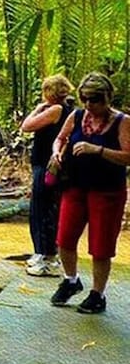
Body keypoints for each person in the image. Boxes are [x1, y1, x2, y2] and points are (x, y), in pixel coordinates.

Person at [49, 72, 129, 314]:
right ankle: (71, 280)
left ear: (107, 98)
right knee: (64, 237)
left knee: (100, 244)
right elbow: (60, 139)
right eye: (85, 100)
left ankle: (98, 294)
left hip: (107, 191)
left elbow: (128, 155)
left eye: (94, 100)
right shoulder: (77, 115)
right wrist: (57, 153)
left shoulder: (122, 121)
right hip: (75, 185)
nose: (90, 105)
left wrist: (98, 150)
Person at [20, 74, 74, 276]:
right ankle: (43, 253)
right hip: (50, 165)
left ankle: (47, 257)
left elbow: (26, 126)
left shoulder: (56, 110)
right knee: (46, 209)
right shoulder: (67, 109)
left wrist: (37, 108)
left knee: (42, 210)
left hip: (46, 165)